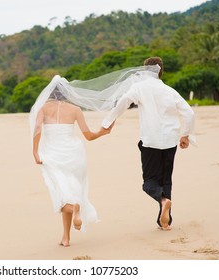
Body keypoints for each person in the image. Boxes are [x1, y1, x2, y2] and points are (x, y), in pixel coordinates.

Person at [101, 57, 195, 231]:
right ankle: (165, 222)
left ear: (145, 70)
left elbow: (123, 102)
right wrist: (186, 135)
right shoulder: (169, 90)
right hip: (170, 141)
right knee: (166, 180)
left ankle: (163, 201)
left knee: (149, 182)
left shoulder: (139, 88)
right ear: (161, 71)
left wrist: (108, 122)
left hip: (150, 141)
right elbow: (189, 113)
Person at [31, 83, 113, 247]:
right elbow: (88, 136)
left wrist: (35, 151)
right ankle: (66, 238)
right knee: (71, 190)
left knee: (61, 193)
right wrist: (102, 132)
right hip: (74, 154)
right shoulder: (75, 109)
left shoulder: (44, 108)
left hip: (53, 155)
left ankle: (75, 208)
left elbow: (38, 127)